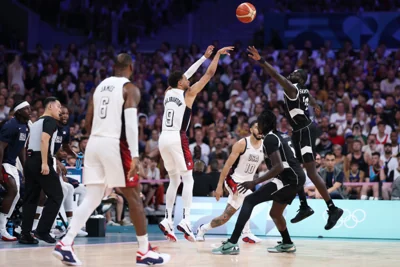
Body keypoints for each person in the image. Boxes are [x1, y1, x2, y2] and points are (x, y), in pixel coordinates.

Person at [53, 53, 169, 266]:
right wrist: (134, 154)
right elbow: (131, 123)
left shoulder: (99, 88)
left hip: (94, 142)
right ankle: (144, 251)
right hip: (113, 144)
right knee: (134, 197)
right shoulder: (130, 88)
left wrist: (97, 139)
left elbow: (87, 121)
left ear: (114, 67)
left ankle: (65, 243)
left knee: (93, 196)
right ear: (131, 68)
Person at [248, 46, 343, 230]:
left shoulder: (292, 89)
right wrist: (316, 107)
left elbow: (276, 76)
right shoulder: (305, 91)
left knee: (311, 172)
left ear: (298, 78)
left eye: (293, 73)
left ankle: (332, 209)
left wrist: (261, 60)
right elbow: (312, 99)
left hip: (305, 130)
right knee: (297, 169)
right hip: (300, 131)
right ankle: (304, 206)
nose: (290, 74)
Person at [158, 45, 233, 242]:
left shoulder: (168, 92)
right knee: (188, 178)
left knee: (174, 180)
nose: (188, 79)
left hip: (162, 138)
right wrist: (215, 56)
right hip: (177, 137)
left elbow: (183, 75)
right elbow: (208, 74)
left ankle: (167, 220)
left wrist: (202, 57)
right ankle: (186, 220)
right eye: (185, 79)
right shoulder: (188, 93)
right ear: (180, 83)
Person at [212, 110, 305, 255]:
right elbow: (292, 164)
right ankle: (287, 243)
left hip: (288, 180)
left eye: (259, 123)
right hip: (295, 178)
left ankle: (232, 243)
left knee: (249, 200)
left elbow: (278, 167)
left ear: (263, 125)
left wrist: (253, 182)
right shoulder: (283, 135)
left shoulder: (269, 139)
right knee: (275, 213)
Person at [196, 121, 263, 243]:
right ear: (251, 130)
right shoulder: (242, 144)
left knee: (224, 217)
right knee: (250, 198)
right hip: (233, 181)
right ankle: (246, 233)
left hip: (246, 184)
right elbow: (226, 166)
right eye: (257, 127)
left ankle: (203, 228)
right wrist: (219, 186)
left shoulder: (264, 146)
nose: (260, 130)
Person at [20, 97, 63, 244]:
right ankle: (42, 231)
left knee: (30, 198)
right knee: (57, 195)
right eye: (58, 106)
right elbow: (44, 140)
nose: (60, 110)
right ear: (50, 107)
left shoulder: (36, 122)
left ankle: (25, 234)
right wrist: (45, 163)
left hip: (30, 160)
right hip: (40, 160)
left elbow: (27, 145)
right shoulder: (50, 121)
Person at [0, 100, 31, 241]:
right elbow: (0, 147)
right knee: (12, 191)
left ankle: (3, 226)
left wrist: (25, 169)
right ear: (18, 111)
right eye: (26, 109)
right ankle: (1, 229)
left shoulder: (25, 127)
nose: (29, 111)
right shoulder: (10, 125)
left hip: (12, 164)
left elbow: (21, 150)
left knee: (17, 195)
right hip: (4, 162)